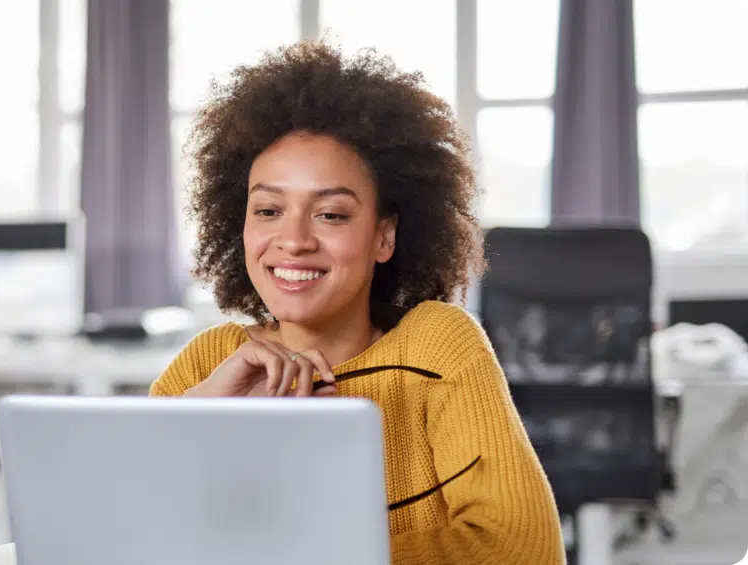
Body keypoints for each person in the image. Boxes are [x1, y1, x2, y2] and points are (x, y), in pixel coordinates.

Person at [149, 40, 564, 564]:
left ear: (384, 237)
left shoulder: (437, 347)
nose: (293, 240)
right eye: (268, 210)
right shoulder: (209, 364)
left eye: (331, 214)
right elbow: (118, 540)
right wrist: (197, 425)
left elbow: (524, 551)